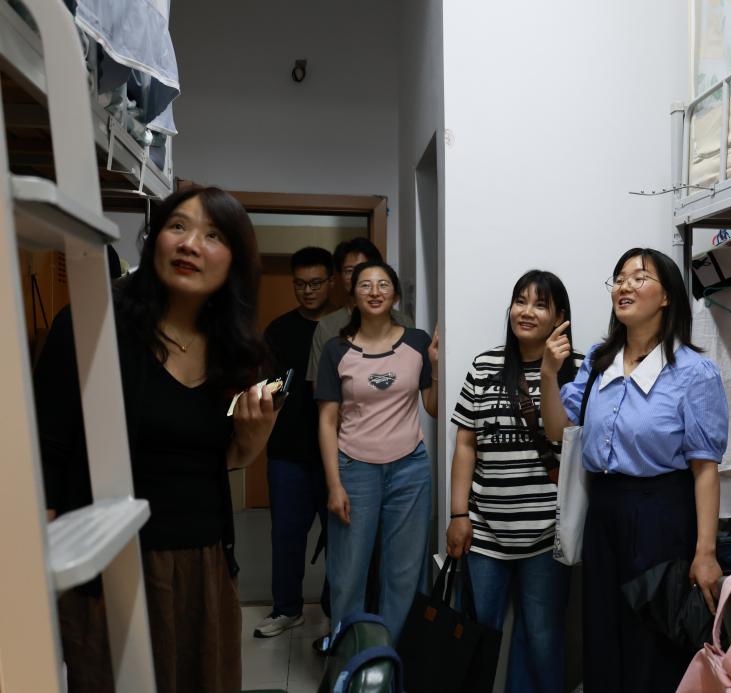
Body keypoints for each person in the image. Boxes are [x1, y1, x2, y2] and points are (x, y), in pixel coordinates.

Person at [37, 186, 276, 693]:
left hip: (205, 563)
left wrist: (254, 437)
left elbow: (220, 460)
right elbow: (47, 454)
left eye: (213, 235)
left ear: (234, 260)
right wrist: (42, 578)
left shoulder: (235, 350)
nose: (190, 244)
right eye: (178, 226)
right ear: (155, 240)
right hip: (110, 565)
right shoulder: (92, 325)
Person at [540, 247, 728, 693]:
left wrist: (705, 553)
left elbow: (705, 469)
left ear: (666, 297)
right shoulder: (598, 360)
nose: (624, 286)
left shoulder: (694, 371)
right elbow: (557, 430)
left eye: (639, 278)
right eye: (619, 279)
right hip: (603, 512)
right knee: (602, 635)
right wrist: (549, 374)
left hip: (661, 515)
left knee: (652, 644)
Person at [446, 270, 583, 693]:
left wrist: (550, 372)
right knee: (476, 633)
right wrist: (458, 514)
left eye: (540, 304)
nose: (526, 311)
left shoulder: (577, 371)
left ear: (560, 316)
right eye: (520, 301)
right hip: (485, 532)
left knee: (541, 639)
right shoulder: (484, 366)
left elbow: (565, 439)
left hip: (548, 536)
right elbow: (465, 444)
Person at [315, 260, 438, 641]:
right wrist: (334, 485)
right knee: (348, 573)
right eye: (365, 285)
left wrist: (436, 366)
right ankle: (350, 661)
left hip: (410, 470)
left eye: (383, 284)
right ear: (352, 297)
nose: (374, 291)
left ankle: (391, 661)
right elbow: (327, 422)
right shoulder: (336, 349)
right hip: (354, 470)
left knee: (404, 574)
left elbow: (432, 407)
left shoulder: (417, 342)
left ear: (395, 294)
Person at [253, 246, 335, 639]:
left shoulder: (344, 326)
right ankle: (287, 609)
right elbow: (264, 385)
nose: (308, 290)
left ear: (331, 282)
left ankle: (338, 611)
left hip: (338, 453)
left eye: (315, 283)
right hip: (287, 451)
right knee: (286, 535)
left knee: (341, 538)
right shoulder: (278, 330)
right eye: (300, 284)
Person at [306, 237, 412, 384]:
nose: (357, 276)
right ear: (340, 276)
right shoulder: (327, 326)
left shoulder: (403, 322)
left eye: (364, 268)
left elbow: (411, 376)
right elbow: (320, 386)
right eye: (349, 271)